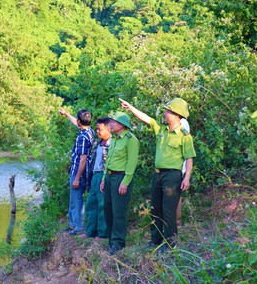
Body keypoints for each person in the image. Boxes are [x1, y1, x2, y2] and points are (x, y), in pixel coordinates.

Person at [119, 98, 196, 252]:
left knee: (168, 211)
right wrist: (131, 108)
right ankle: (155, 240)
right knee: (156, 209)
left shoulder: (184, 135)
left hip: (172, 177)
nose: (165, 113)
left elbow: (189, 159)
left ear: (176, 115)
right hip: (158, 175)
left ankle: (170, 243)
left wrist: (186, 178)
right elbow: (147, 118)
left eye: (168, 111)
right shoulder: (161, 130)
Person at [100, 111, 139, 254]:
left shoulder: (130, 139)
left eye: (113, 122)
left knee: (118, 212)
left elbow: (132, 163)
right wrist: (104, 179)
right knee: (108, 210)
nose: (110, 124)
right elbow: (108, 160)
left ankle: (118, 243)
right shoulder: (115, 138)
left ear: (121, 125)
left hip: (121, 178)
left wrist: (125, 182)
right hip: (110, 177)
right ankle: (111, 241)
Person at [59, 107, 94, 235]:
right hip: (78, 172)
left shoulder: (83, 137)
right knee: (73, 199)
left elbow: (83, 159)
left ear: (80, 121)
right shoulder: (89, 131)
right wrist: (66, 114)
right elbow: (76, 122)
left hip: (79, 172)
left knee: (77, 199)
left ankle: (78, 227)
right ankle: (73, 224)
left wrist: (77, 178)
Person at [80, 117, 112, 240]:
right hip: (94, 175)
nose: (97, 131)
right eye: (97, 129)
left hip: (103, 175)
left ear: (108, 129)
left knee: (102, 205)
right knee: (90, 204)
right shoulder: (98, 143)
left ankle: (103, 233)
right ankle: (90, 231)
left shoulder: (112, 143)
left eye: (100, 129)